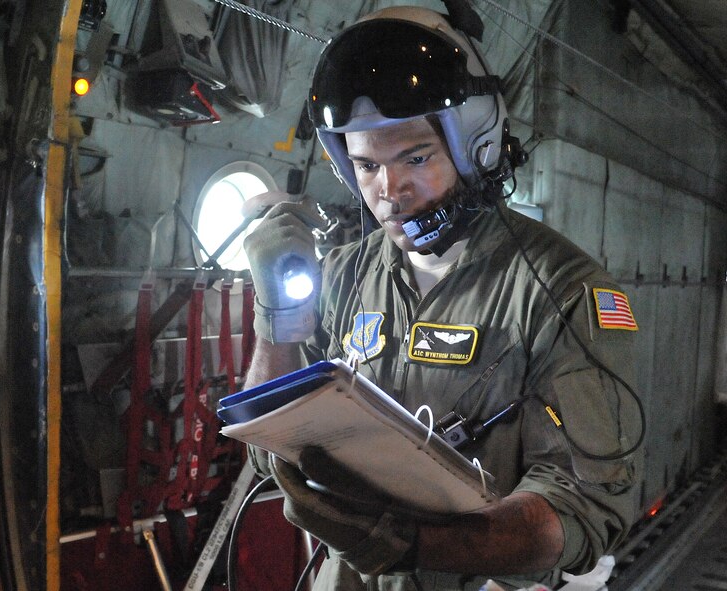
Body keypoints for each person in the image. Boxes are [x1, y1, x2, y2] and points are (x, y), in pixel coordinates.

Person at [242, 5, 642, 590]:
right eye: (365, 166)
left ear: (475, 145)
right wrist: (277, 316)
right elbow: (266, 452)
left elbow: (586, 509)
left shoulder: (562, 291)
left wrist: (415, 546)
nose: (389, 193)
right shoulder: (348, 274)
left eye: (416, 158)